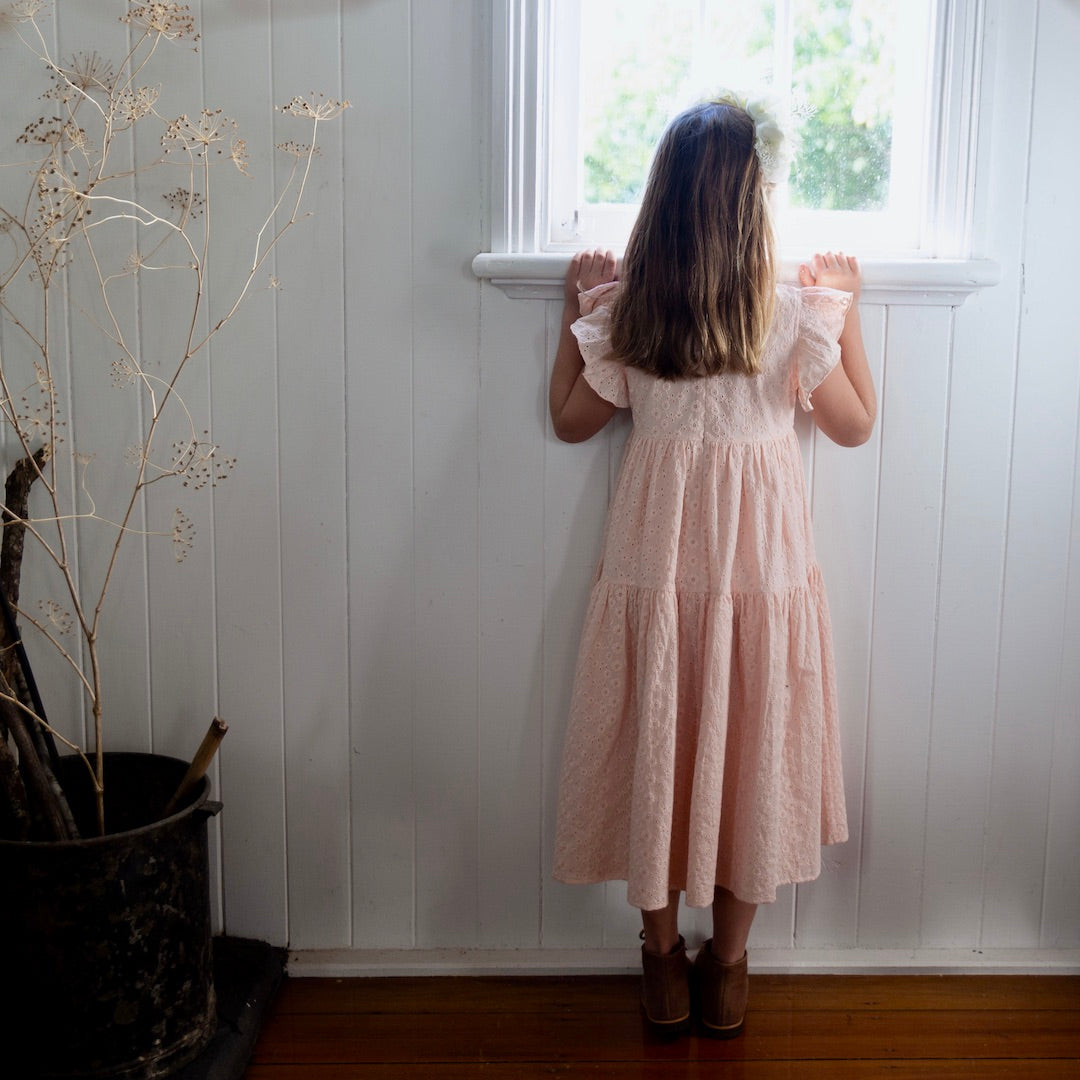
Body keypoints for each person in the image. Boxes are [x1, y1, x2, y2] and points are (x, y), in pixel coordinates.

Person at [548, 93, 876, 1040]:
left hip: (656, 567)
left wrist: (577, 313)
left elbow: (570, 422)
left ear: (662, 202)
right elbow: (855, 427)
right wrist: (846, 310)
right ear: (755, 205)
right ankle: (727, 969)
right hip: (760, 574)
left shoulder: (633, 314)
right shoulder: (792, 316)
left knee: (657, 741)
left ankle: (661, 963)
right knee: (752, 752)